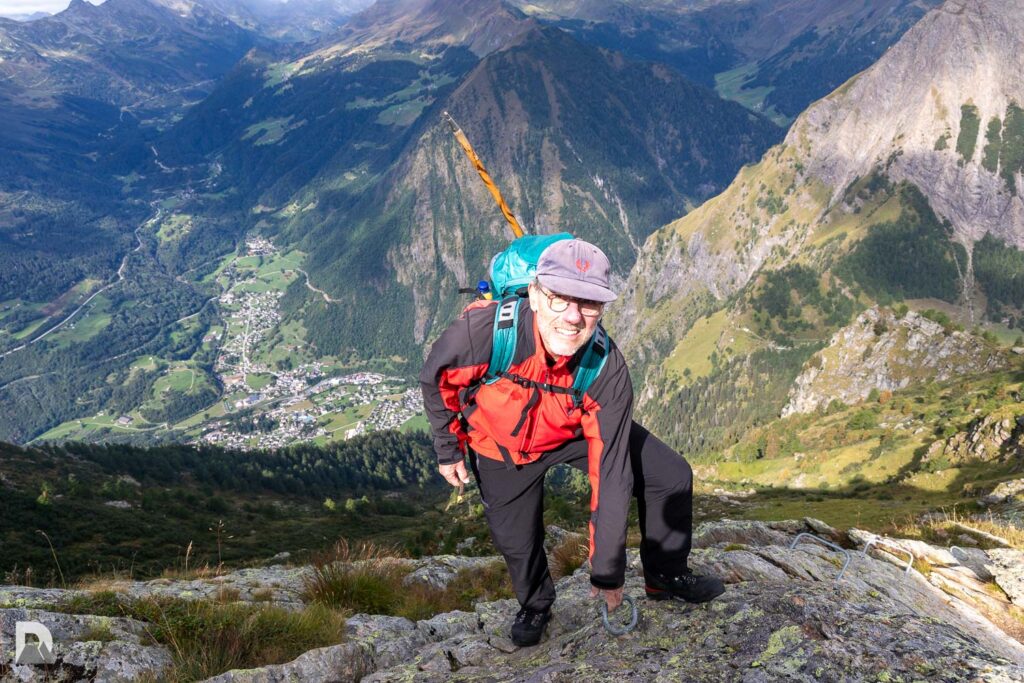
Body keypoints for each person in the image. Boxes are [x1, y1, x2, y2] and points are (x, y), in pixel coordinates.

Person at [420, 238, 724, 647]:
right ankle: (535, 604)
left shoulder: (606, 368)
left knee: (670, 475)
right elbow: (437, 379)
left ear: (602, 308)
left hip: (573, 432)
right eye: (559, 299)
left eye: (589, 304)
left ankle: (665, 574)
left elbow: (613, 475)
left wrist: (607, 572)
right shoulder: (484, 333)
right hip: (499, 444)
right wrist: (448, 447)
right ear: (534, 293)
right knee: (517, 539)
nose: (573, 317)